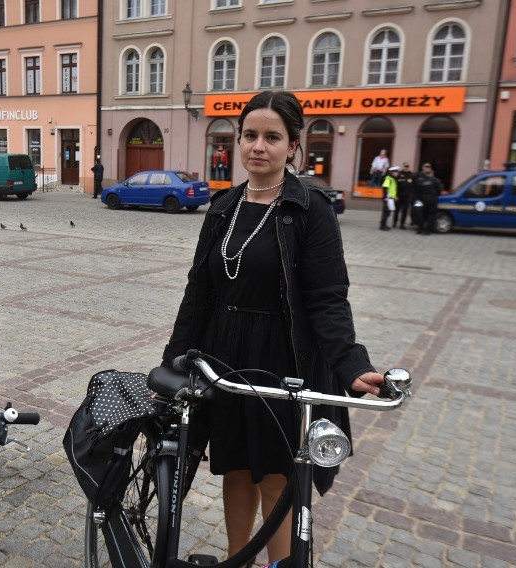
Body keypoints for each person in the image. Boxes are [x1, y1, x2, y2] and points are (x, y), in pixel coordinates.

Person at [162, 90, 385, 563]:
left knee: (277, 477)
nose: (257, 146)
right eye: (249, 135)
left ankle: (277, 563)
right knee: (237, 468)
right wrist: (174, 362)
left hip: (283, 359)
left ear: (292, 146)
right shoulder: (223, 206)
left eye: (271, 137)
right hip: (225, 355)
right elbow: (198, 293)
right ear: (238, 141)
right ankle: (236, 557)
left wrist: (350, 362)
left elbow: (328, 300)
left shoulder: (311, 210)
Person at [415, 162, 442, 235]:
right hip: (431, 201)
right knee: (430, 216)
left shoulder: (419, 180)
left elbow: (417, 192)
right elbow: (439, 191)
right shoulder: (435, 180)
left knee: (422, 215)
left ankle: (420, 229)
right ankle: (426, 230)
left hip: (423, 200)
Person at [395, 162, 416, 229]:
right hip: (399, 196)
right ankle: (394, 223)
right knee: (397, 210)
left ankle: (402, 224)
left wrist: (412, 195)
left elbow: (414, 186)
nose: (406, 168)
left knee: (405, 210)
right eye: (405, 166)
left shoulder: (411, 175)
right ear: (403, 167)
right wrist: (395, 195)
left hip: (407, 196)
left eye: (407, 166)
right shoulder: (399, 175)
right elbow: (395, 186)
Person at [380, 166, 400, 231]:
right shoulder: (388, 179)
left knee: (388, 212)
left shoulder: (393, 179)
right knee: (385, 212)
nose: (397, 173)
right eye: (396, 172)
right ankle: (382, 226)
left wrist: (395, 197)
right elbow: (385, 188)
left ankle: (384, 225)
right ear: (392, 172)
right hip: (388, 198)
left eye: (397, 172)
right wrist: (385, 197)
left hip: (391, 198)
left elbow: (392, 190)